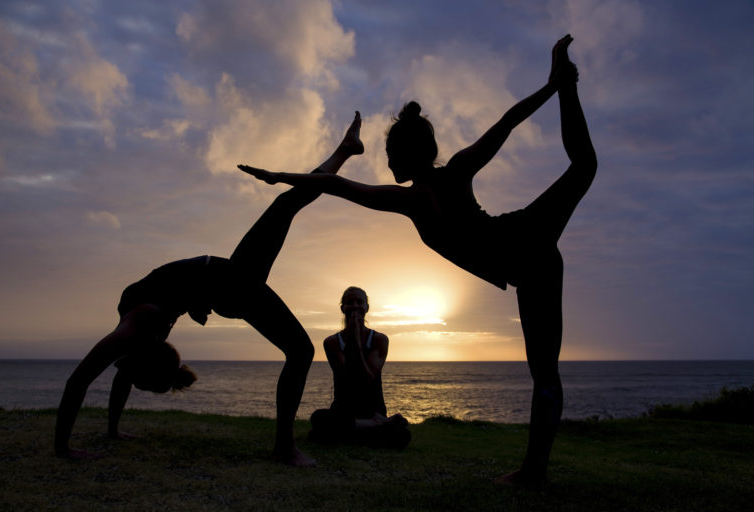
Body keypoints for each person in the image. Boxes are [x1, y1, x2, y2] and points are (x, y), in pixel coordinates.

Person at [239, 36, 596, 483]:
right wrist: (549, 88)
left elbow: (337, 186)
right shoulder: (450, 174)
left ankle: (564, 82)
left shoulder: (417, 197)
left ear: (407, 155)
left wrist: (280, 176)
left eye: (391, 155)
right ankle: (566, 84)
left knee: (545, 372)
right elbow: (506, 124)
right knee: (584, 167)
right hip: (531, 257)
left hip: (523, 245)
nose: (388, 163)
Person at [54, 113, 365, 466]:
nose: (126, 374)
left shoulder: (139, 331)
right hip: (232, 284)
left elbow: (105, 375)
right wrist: (64, 448)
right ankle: (284, 448)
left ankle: (345, 149)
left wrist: (106, 432)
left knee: (286, 207)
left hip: (226, 281)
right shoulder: (141, 327)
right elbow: (86, 379)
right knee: (301, 347)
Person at [309, 286, 410, 449]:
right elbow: (348, 379)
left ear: (366, 307)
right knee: (318, 418)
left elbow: (365, 379)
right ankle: (376, 426)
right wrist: (352, 339)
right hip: (344, 410)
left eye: (359, 302)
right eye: (350, 302)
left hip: (372, 409)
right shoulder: (332, 342)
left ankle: (355, 430)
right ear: (343, 308)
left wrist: (355, 341)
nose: (355, 306)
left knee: (402, 436)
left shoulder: (379, 340)